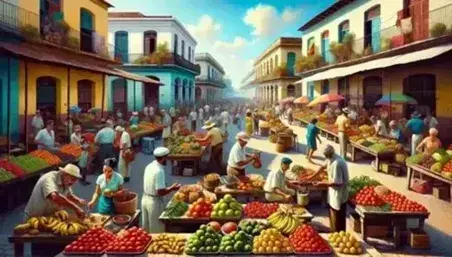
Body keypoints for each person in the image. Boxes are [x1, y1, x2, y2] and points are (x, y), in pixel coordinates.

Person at [141, 147, 181, 233]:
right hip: (154, 202)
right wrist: (172, 188)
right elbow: (160, 192)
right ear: (163, 158)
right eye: (167, 158)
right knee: (157, 229)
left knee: (146, 228)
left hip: (144, 199)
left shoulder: (149, 166)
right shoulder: (159, 171)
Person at [312, 145, 349, 232]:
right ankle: (334, 231)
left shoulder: (337, 163)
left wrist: (321, 183)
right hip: (333, 192)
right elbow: (322, 167)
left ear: (329, 155)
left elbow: (337, 183)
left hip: (339, 193)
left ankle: (338, 233)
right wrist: (311, 176)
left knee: (337, 215)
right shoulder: (331, 158)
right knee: (332, 213)